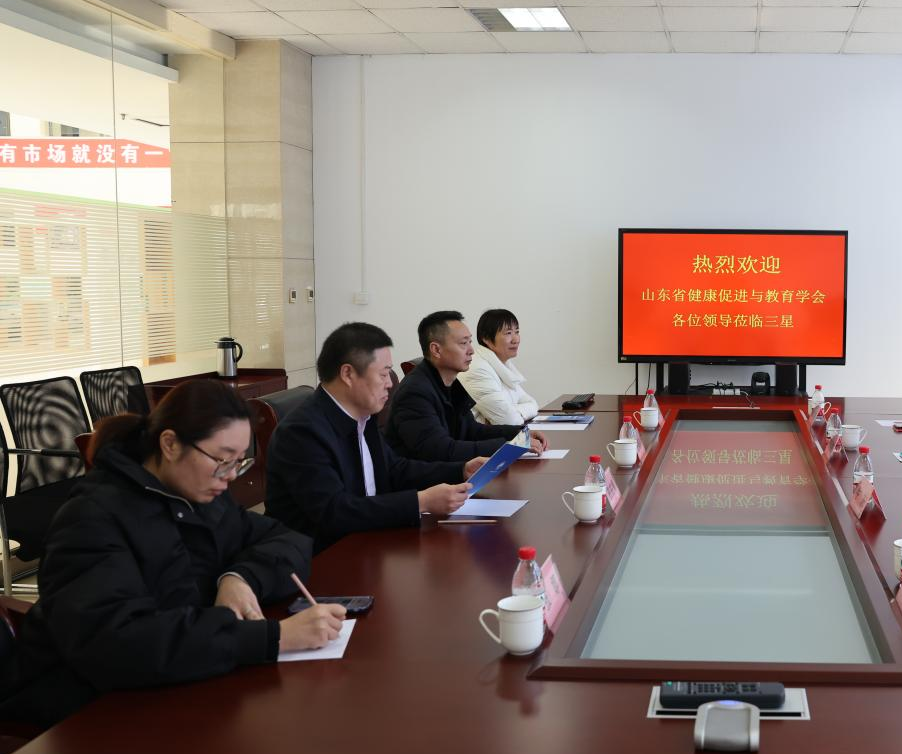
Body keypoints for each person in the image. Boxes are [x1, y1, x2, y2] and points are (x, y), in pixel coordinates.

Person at [0, 380, 346, 728]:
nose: (229, 477)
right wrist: (273, 638)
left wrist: (240, 578)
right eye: (221, 460)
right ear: (169, 444)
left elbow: (287, 539)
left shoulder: (203, 496)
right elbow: (117, 643)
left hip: (183, 684)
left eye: (238, 462)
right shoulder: (91, 518)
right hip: (88, 711)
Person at [265, 322, 483, 553]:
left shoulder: (362, 415)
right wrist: (421, 502)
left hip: (367, 541)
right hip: (321, 557)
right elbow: (334, 511)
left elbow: (394, 469)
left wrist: (460, 470)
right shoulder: (301, 433)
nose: (390, 384)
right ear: (348, 374)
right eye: (383, 374)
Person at [386, 311, 547, 461]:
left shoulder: (449, 383)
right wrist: (509, 446)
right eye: (463, 343)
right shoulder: (415, 392)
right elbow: (440, 450)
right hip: (426, 480)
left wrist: (518, 434)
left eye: (470, 342)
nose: (471, 351)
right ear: (436, 350)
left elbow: (471, 430)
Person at [459, 308, 540, 426]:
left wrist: (514, 411)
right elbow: (509, 421)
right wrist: (514, 412)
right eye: (508, 333)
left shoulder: (501, 364)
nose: (516, 339)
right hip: (479, 437)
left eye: (517, 332)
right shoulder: (476, 369)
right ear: (486, 338)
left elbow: (533, 403)